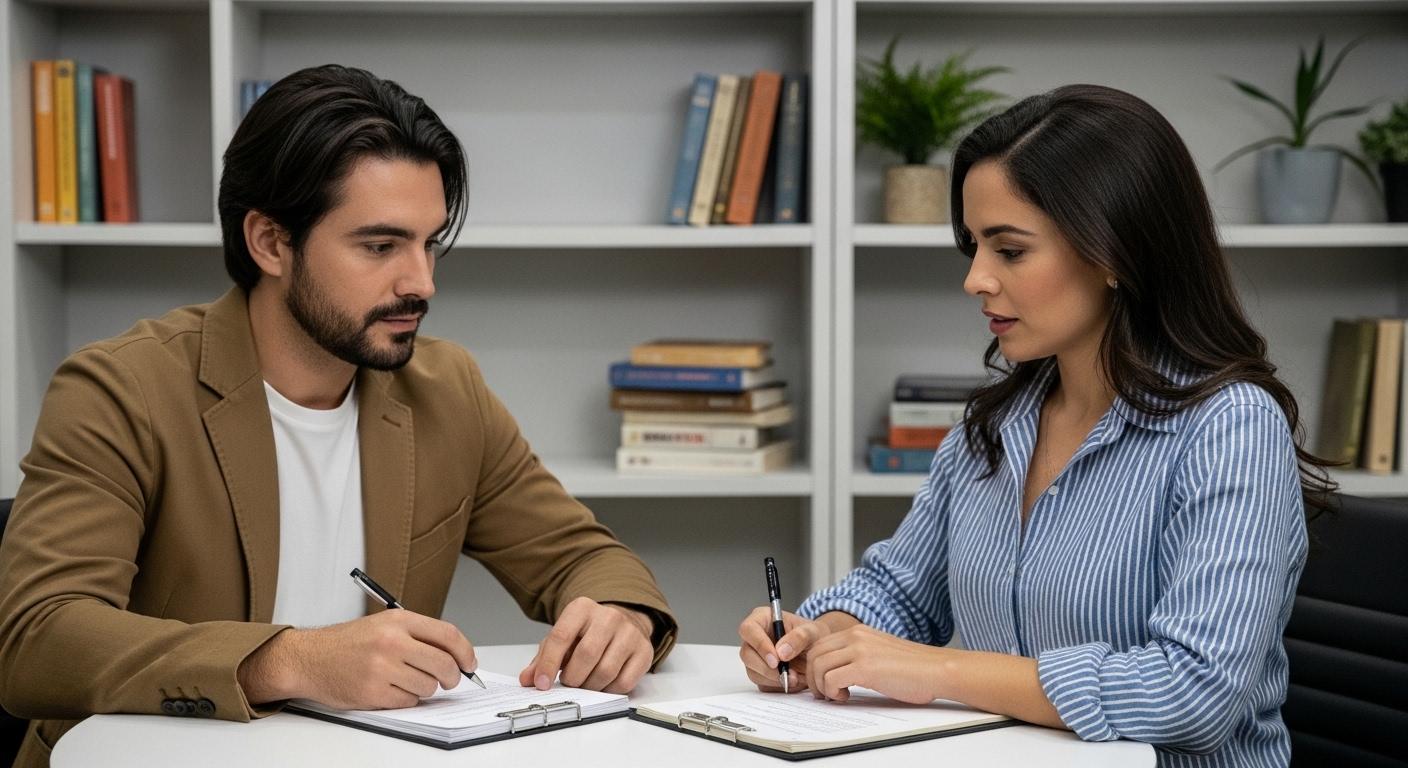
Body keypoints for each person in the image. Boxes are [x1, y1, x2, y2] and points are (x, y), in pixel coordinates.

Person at [0, 65, 676, 766]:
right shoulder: (121, 389)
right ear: (270, 242)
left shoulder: (447, 390)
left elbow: (584, 557)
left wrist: (620, 617)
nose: (422, 282)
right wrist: (291, 659)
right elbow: (39, 639)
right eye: (380, 247)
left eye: (429, 243)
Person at [739, 84, 1331, 766]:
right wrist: (818, 638)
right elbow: (901, 591)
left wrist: (941, 670)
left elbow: (1193, 692)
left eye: (1010, 250)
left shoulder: (1230, 430)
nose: (975, 279)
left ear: (1114, 253)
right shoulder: (993, 425)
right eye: (973, 246)